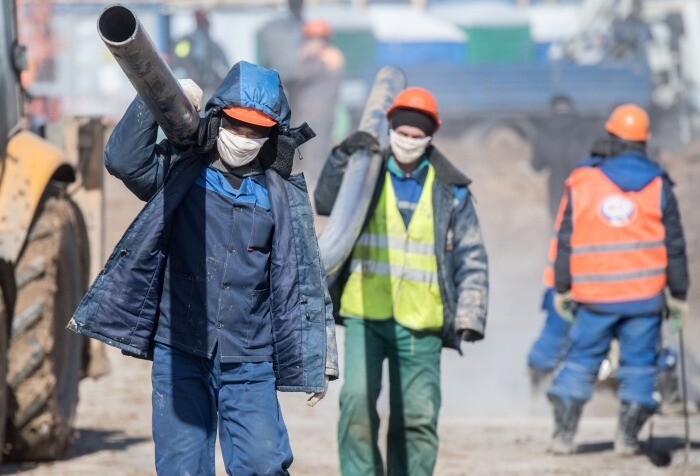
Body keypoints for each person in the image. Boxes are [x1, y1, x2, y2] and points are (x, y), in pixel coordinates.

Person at [68, 61, 339, 475]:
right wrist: (156, 100)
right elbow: (122, 160)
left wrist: (319, 354)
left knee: (263, 464)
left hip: (249, 361)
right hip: (179, 353)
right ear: (217, 119)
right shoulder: (180, 172)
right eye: (236, 125)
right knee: (183, 468)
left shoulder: (281, 196)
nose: (244, 138)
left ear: (272, 135)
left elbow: (301, 281)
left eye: (256, 130)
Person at [314, 87, 489, 475]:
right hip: (366, 314)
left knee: (417, 417)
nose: (408, 141)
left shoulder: (451, 189)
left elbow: (472, 256)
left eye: (417, 135)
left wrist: (471, 314)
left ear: (430, 136)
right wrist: (343, 155)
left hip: (422, 321)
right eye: (402, 132)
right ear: (390, 130)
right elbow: (325, 201)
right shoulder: (366, 174)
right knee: (357, 404)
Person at [545, 104, 689, 456]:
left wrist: (562, 287)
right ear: (644, 142)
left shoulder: (582, 180)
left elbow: (565, 236)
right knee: (640, 367)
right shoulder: (658, 183)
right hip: (644, 298)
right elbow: (674, 244)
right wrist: (679, 294)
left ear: (609, 136)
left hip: (594, 296)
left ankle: (563, 435)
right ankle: (626, 439)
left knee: (580, 361)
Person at [293, 19, 345, 186]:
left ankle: (316, 196)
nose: (312, 43)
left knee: (315, 160)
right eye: (310, 39)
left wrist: (302, 56)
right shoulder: (325, 58)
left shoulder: (327, 59)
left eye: (316, 39)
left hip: (318, 116)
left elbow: (298, 76)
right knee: (306, 159)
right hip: (310, 115)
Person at [531, 95, 598, 221]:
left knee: (558, 222)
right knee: (582, 221)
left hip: (556, 184)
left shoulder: (543, 129)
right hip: (581, 181)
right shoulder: (585, 127)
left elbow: (536, 166)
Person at [169, 9, 229, 98]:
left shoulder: (213, 46)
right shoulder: (186, 42)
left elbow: (224, 66)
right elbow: (176, 60)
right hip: (190, 85)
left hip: (206, 87)